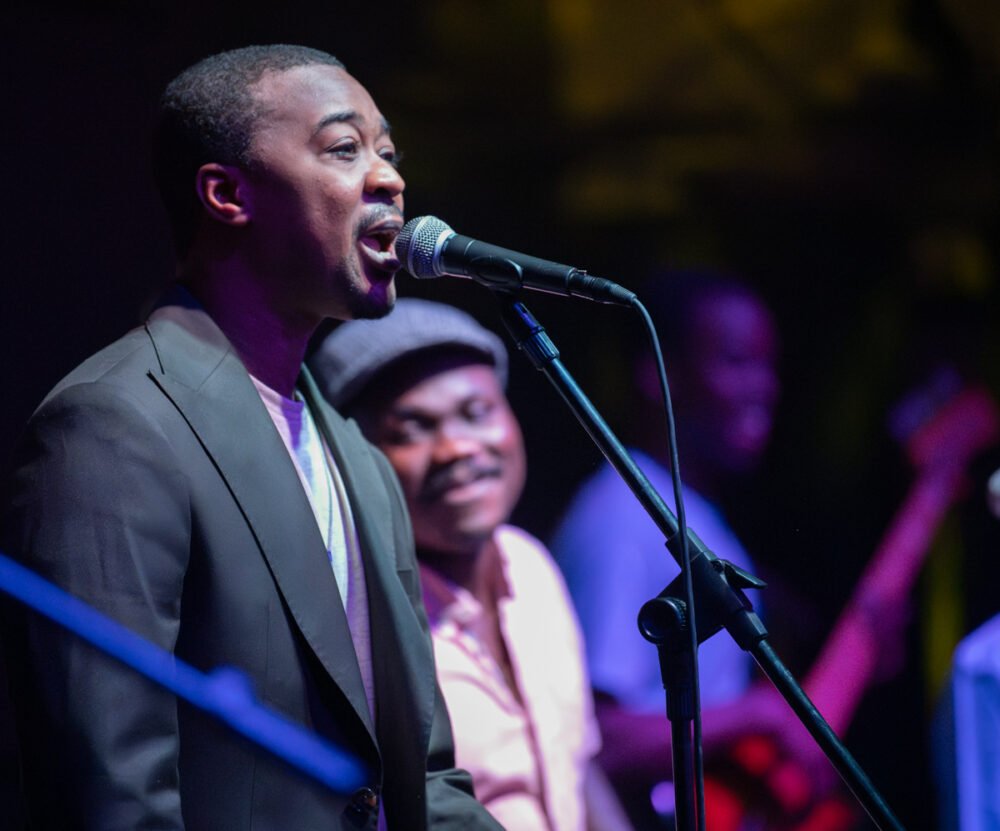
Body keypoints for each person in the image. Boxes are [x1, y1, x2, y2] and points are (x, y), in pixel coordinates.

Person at [1, 45, 502, 830]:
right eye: (345, 148)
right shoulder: (112, 427)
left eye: (388, 152)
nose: (389, 179)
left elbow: (424, 779)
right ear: (227, 193)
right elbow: (111, 793)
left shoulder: (357, 456)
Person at [309, 297, 634, 831]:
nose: (457, 447)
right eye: (413, 428)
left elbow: (575, 767)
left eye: (476, 413)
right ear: (353, 457)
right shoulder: (358, 621)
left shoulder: (531, 565)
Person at [550, 271, 836, 829]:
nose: (765, 387)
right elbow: (592, 739)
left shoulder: (687, 511)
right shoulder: (619, 517)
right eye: (736, 362)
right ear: (659, 378)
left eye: (768, 365)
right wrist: (757, 715)